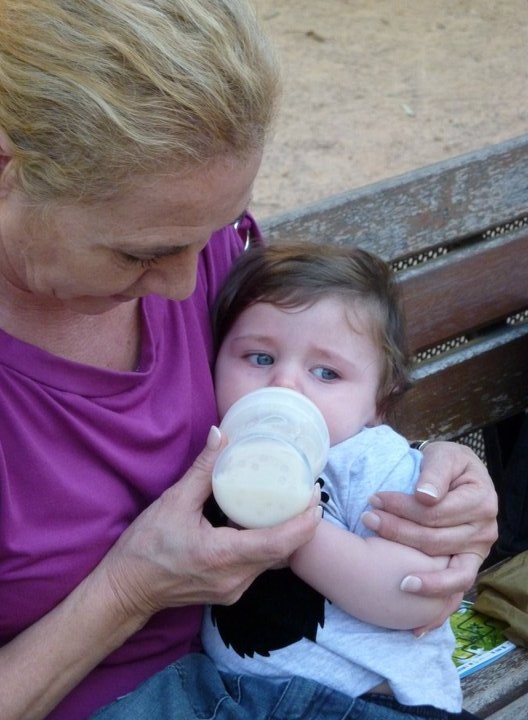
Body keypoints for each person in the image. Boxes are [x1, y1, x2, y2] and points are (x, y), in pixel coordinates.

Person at [0, 2, 497, 719]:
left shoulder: (192, 237)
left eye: (217, 230)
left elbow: (308, 405)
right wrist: (129, 590)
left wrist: (438, 483)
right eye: (140, 254)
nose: (187, 287)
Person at [197, 242, 475, 718]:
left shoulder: (373, 461)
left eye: (326, 372)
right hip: (236, 699)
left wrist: (290, 531)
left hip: (370, 701)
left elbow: (417, 597)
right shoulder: (218, 451)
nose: (284, 383)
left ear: (379, 403)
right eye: (260, 358)